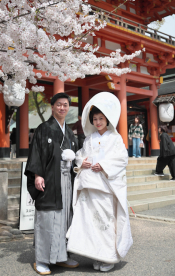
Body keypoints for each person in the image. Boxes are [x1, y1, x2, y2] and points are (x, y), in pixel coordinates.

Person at [67, 92, 132, 273]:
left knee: (105, 222)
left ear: (107, 119)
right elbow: (80, 155)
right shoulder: (89, 138)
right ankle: (97, 256)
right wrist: (82, 162)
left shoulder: (115, 138)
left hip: (105, 186)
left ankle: (108, 256)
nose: (97, 122)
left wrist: (103, 165)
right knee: (91, 224)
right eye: (95, 119)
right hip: (90, 187)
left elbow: (122, 159)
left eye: (101, 118)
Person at [25, 92, 79, 275]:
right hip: (48, 179)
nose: (62, 108)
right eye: (59, 105)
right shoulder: (43, 128)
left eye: (65, 105)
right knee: (48, 218)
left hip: (67, 182)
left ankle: (61, 257)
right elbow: (36, 153)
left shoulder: (70, 132)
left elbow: (77, 157)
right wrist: (37, 175)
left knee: (65, 218)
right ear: (52, 106)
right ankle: (41, 259)